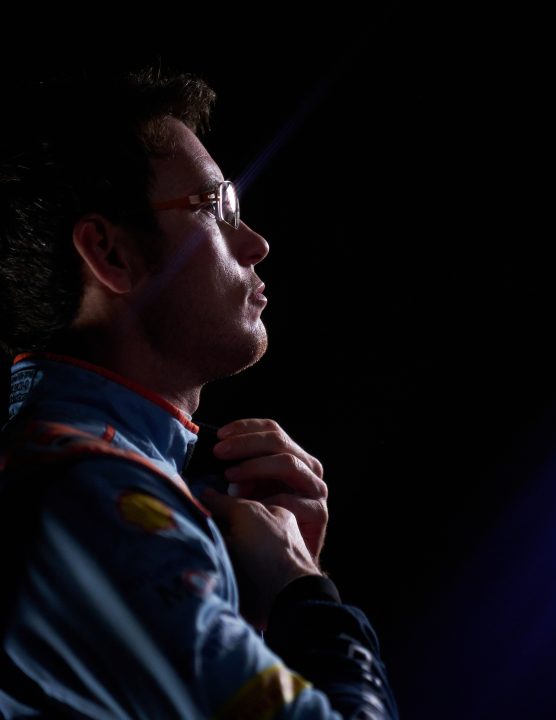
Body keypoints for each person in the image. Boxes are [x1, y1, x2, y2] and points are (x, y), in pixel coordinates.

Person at [0, 67, 399, 719]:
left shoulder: (76, 474)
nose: (256, 243)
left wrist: (258, 605)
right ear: (110, 255)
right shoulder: (93, 493)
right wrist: (305, 594)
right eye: (218, 207)